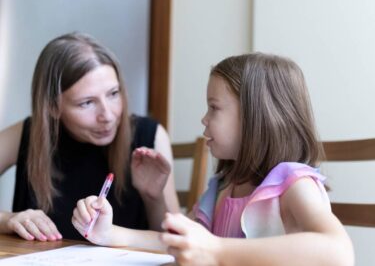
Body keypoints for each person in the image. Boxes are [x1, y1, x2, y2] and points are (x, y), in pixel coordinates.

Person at [72, 53, 354, 265]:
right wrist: (109, 234)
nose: (204, 119)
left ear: (256, 117)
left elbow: (338, 252)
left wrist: (216, 249)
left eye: (214, 108)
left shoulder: (293, 184)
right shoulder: (221, 188)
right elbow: (182, 241)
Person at [0, 32, 179, 242]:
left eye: (113, 94)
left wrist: (154, 199)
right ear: (52, 106)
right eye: (87, 103)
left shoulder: (150, 136)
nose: (108, 115)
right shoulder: (26, 135)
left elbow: (176, 243)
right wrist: (6, 219)